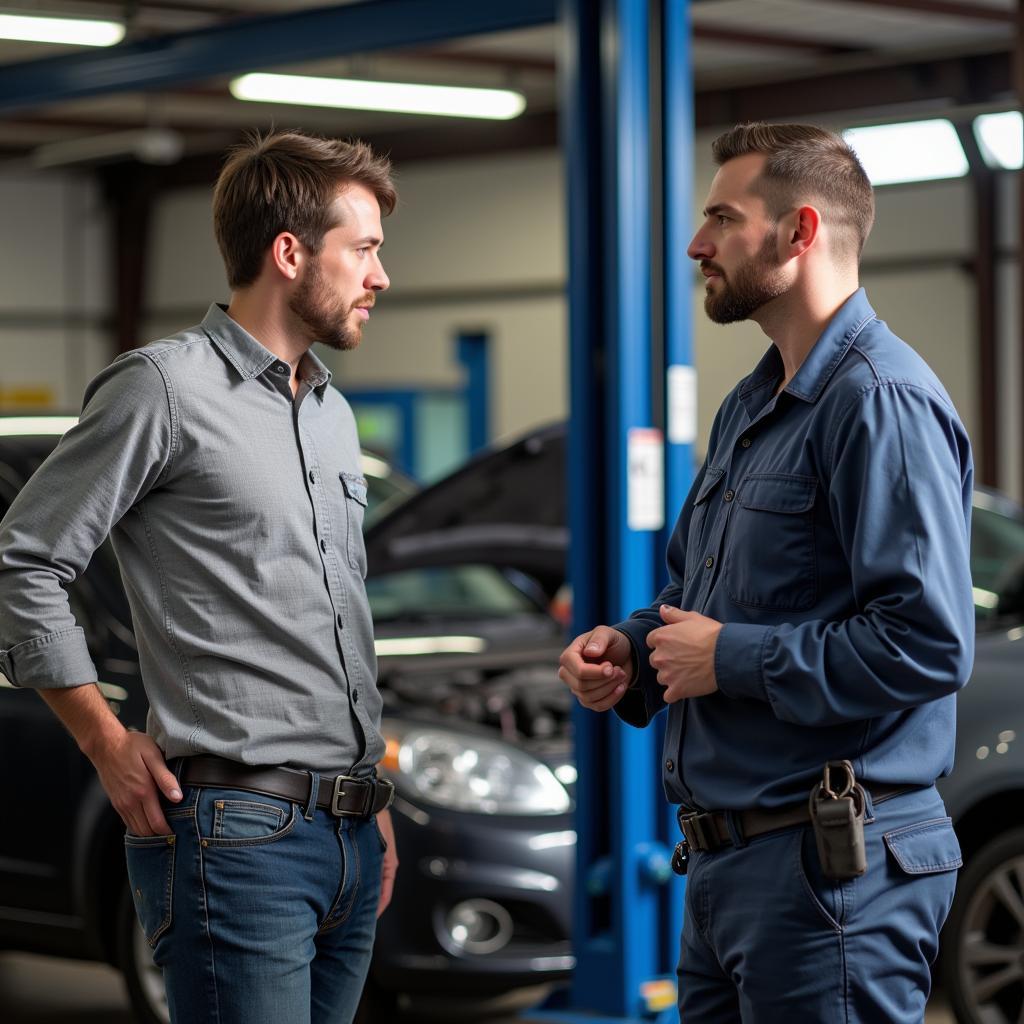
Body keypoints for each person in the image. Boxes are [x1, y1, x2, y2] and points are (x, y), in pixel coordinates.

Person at [558, 122, 974, 1023]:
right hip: (727, 870)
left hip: (834, 877)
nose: (697, 244)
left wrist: (731, 660)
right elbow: (697, 601)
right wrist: (634, 648)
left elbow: (927, 643)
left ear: (800, 231)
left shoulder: (879, 401)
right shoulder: (753, 403)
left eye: (722, 218)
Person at [0, 130, 399, 1024]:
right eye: (364, 250)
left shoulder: (331, 413)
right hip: (237, 837)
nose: (381, 277)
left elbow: (336, 623)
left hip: (351, 828)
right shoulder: (163, 388)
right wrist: (104, 739)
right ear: (289, 253)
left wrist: (365, 795)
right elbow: (26, 557)